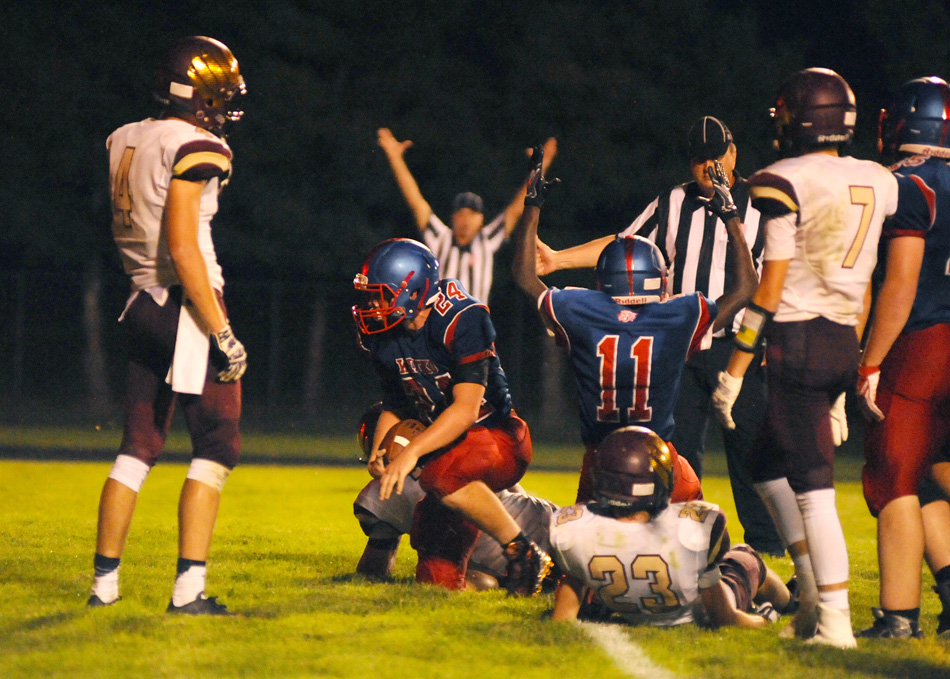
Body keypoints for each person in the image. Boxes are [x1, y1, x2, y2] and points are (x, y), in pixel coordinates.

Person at [711, 68, 935, 647]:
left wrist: (735, 369)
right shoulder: (877, 181)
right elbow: (862, 287)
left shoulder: (782, 180)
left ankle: (832, 622)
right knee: (764, 460)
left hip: (799, 342)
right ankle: (811, 594)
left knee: (813, 489)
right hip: (840, 341)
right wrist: (854, 368)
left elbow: (769, 287)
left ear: (798, 120)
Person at [535, 117, 782, 555]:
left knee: (751, 452)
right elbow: (623, 243)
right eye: (701, 158)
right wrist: (558, 260)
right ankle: (673, 542)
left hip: (736, 347)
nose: (710, 165)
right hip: (679, 348)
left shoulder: (761, 204)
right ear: (691, 163)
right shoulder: (673, 202)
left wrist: (762, 342)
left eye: (717, 154)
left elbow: (775, 280)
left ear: (734, 153)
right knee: (676, 451)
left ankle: (765, 548)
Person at [88, 36, 249, 615]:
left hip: (139, 302)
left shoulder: (125, 137)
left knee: (137, 446)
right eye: (220, 93)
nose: (226, 105)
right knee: (217, 443)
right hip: (185, 304)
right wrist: (220, 331)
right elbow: (183, 247)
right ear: (198, 95)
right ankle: (189, 589)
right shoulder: (198, 146)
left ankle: (104, 586)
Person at [511, 143, 756, 504]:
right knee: (697, 529)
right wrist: (732, 216)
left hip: (600, 459)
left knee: (581, 546)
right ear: (658, 277)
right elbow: (747, 286)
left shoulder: (583, 309)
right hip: (660, 458)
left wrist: (532, 207)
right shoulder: (675, 316)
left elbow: (523, 276)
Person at [352, 238, 551, 595]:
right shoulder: (384, 337)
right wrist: (383, 452)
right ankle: (501, 578)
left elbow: (466, 409)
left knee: (440, 475)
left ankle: (522, 550)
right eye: (369, 297)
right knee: (436, 583)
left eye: (380, 295)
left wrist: (411, 452)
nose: (371, 305)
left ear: (411, 291)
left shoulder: (462, 318)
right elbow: (396, 401)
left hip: (496, 436)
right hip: (446, 455)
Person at [853, 76, 949, 639]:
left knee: (890, 477)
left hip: (922, 346)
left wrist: (870, 361)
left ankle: (898, 617)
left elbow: (902, 283)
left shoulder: (908, 185)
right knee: (930, 474)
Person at [549, 426, 793, 627]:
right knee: (743, 556)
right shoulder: (693, 529)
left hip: (623, 604)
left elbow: (563, 618)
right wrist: (762, 620)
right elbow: (722, 617)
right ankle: (791, 603)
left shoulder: (576, 530)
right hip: (694, 614)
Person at [351, 402, 559, 590]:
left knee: (440, 582)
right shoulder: (458, 460)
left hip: (517, 553)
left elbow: (373, 570)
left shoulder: (386, 489)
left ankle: (500, 575)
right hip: (550, 523)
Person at [377, 128, 557, 303]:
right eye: (461, 214)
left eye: (472, 214)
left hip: (474, 329)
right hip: (441, 327)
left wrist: (541, 166)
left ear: (481, 220)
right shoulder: (441, 238)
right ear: (452, 218)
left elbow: (517, 208)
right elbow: (416, 201)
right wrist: (395, 157)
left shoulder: (487, 240)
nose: (466, 220)